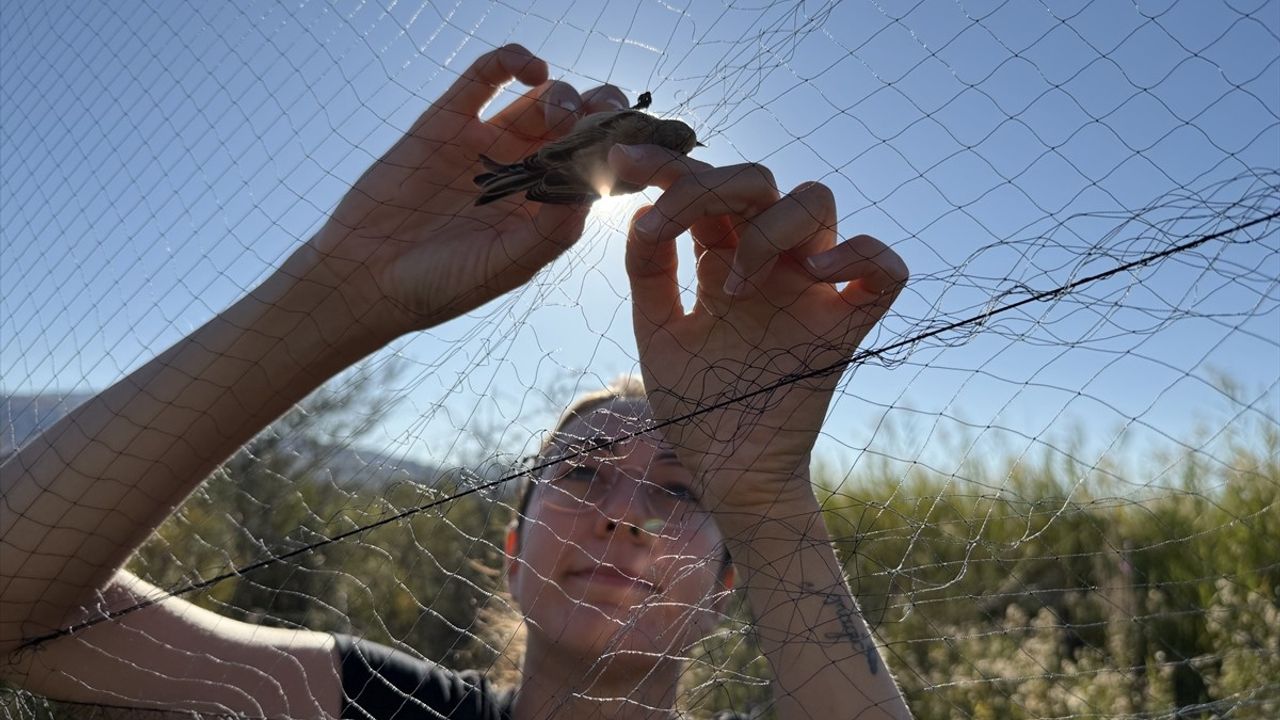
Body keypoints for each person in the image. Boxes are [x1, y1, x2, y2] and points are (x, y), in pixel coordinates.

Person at [0, 44, 911, 719]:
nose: (622, 515)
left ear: (725, 588)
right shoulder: (363, 704)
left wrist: (766, 498)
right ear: (512, 552)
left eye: (680, 490)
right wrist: (338, 293)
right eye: (585, 471)